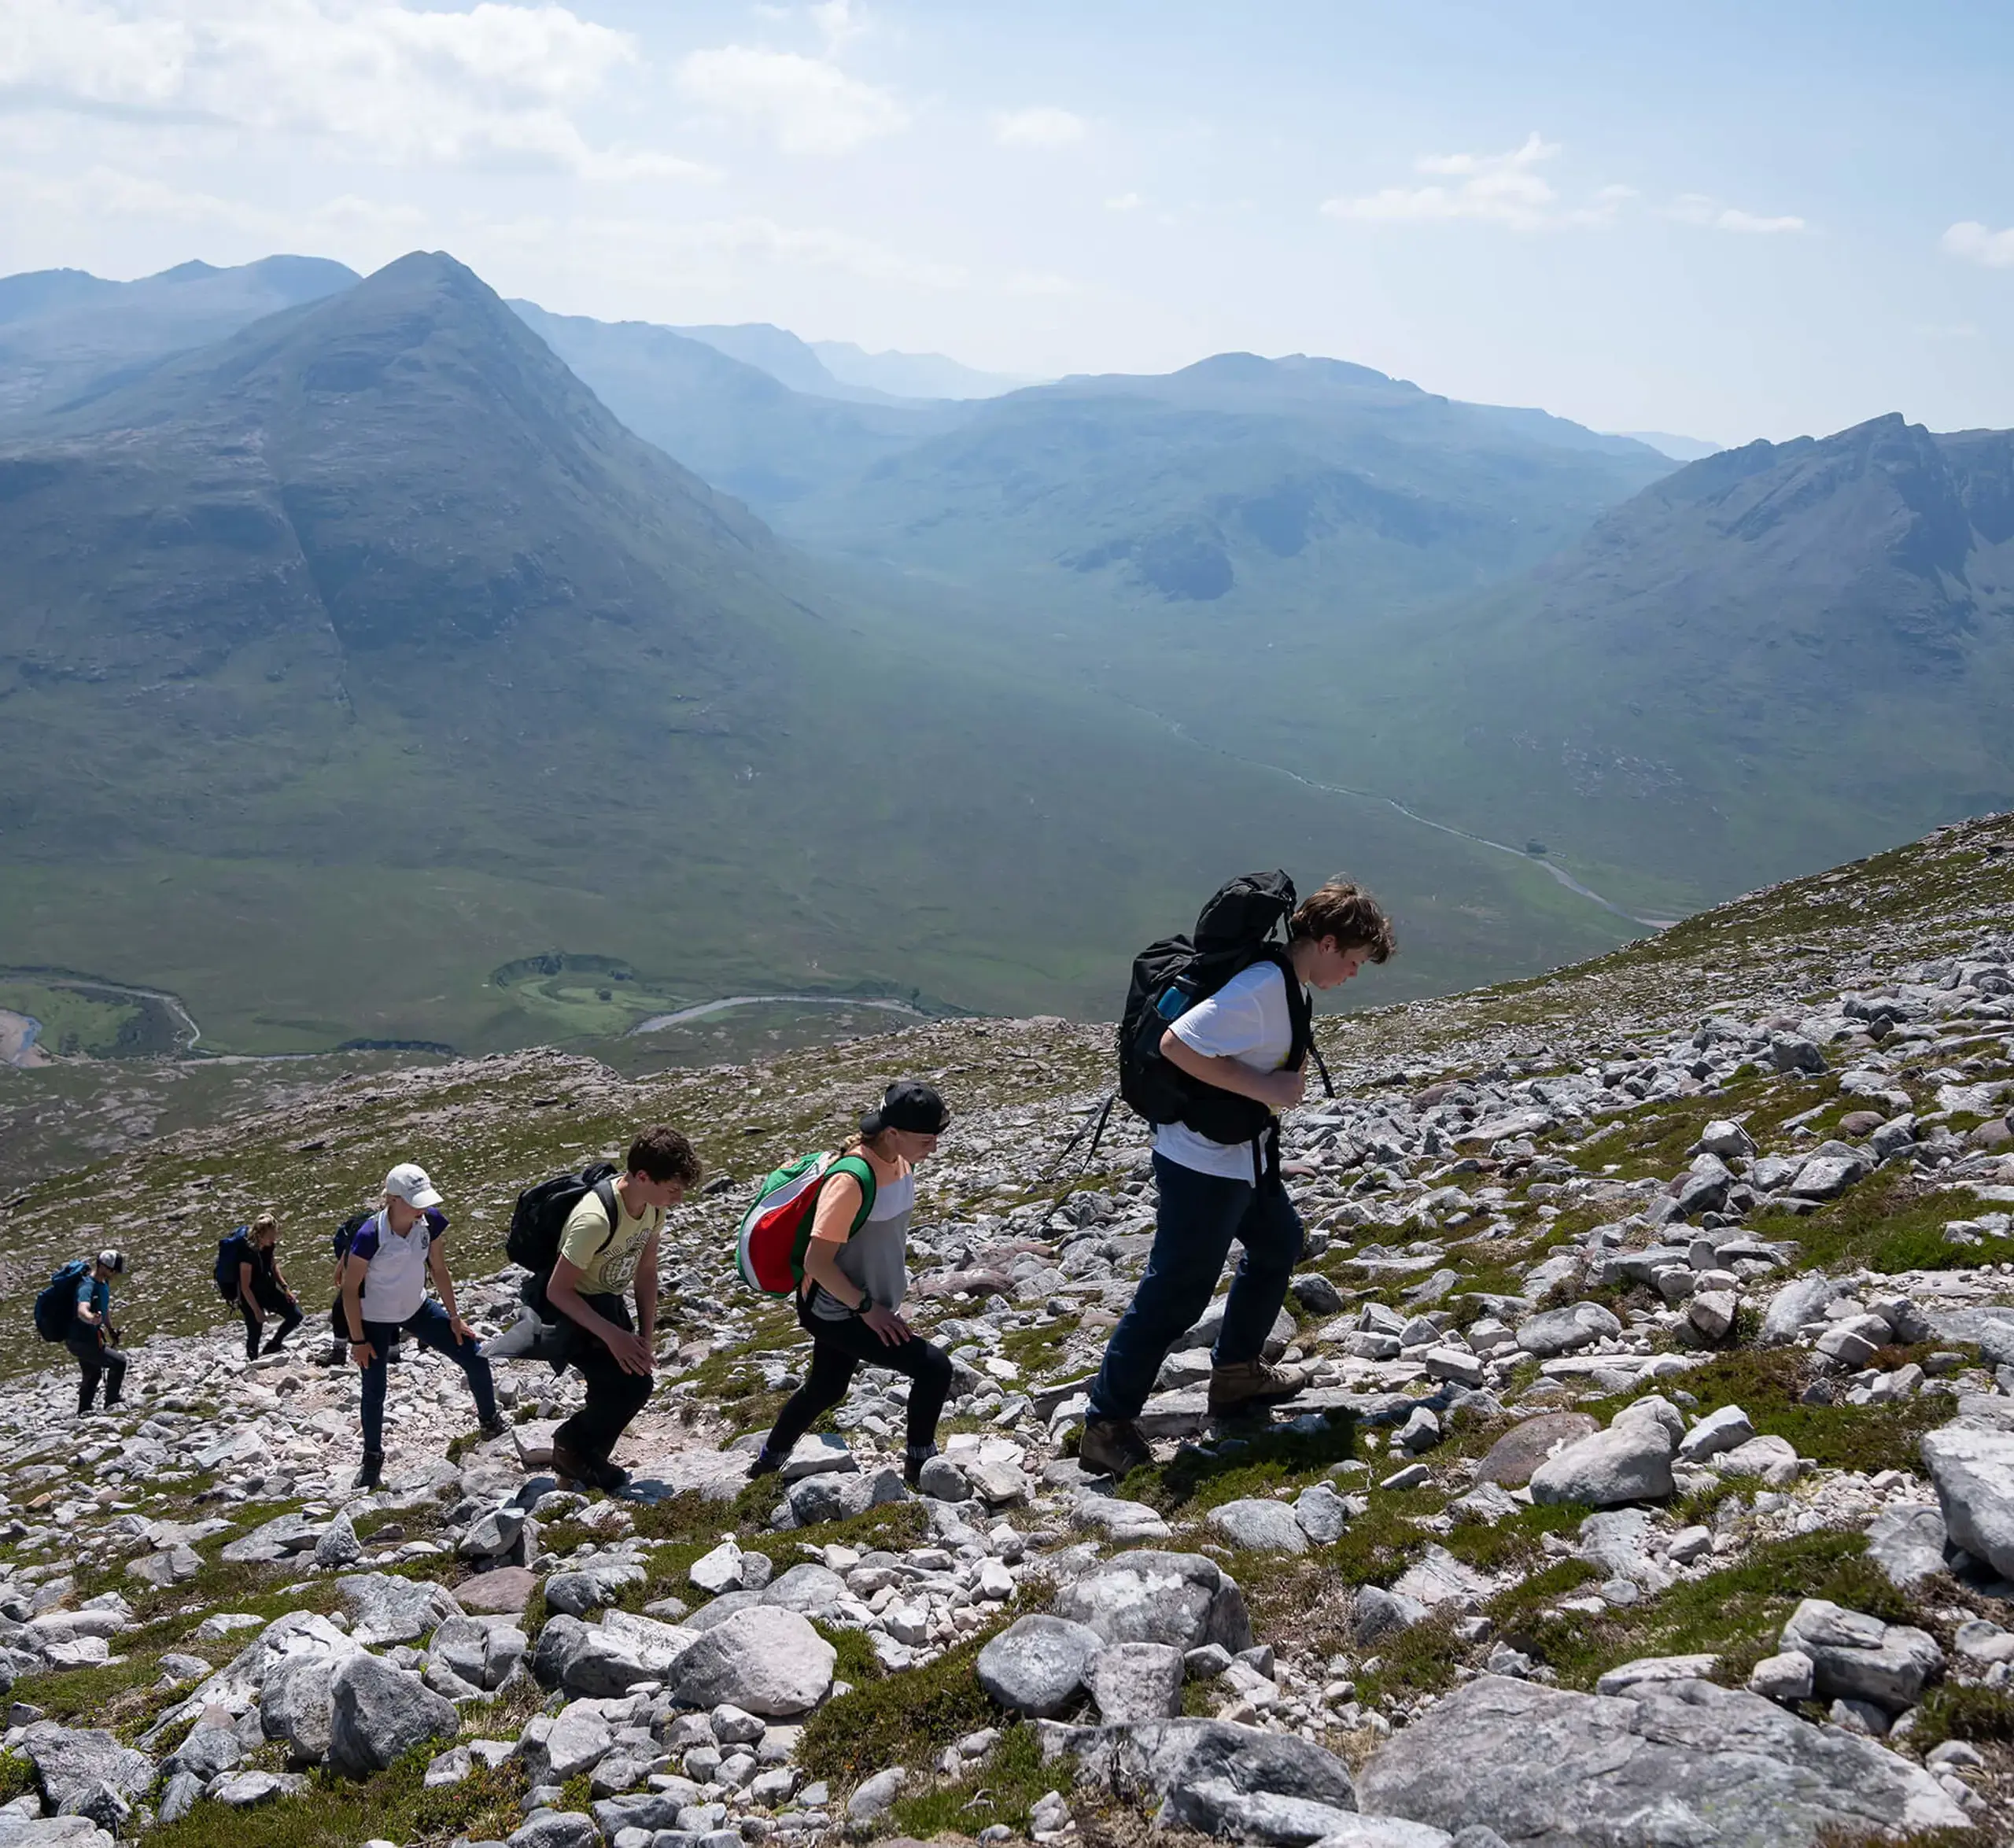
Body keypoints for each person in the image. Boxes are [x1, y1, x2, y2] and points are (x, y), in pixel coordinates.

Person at [1079, 879, 1395, 1479]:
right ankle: (1106, 1423)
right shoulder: (1260, 987)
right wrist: (1270, 1089)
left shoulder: (1286, 981)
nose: (1352, 974)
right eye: (1352, 961)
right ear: (1326, 943)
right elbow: (1178, 1044)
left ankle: (1235, 1374)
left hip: (1246, 1156)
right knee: (1175, 1293)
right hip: (1203, 1162)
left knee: (1277, 1242)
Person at [747, 1080, 954, 1488]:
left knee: (826, 1389)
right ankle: (920, 1466)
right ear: (892, 1134)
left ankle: (768, 1463)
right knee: (933, 1369)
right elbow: (816, 1262)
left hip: (859, 1304)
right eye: (927, 1139)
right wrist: (868, 1309)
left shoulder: (900, 1163)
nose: (934, 1147)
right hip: (837, 1310)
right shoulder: (852, 1180)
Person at [541, 1127, 700, 1492]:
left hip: (608, 1301)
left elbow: (646, 1271)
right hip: (574, 1309)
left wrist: (645, 1336)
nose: (677, 1199)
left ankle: (582, 1467)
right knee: (632, 1387)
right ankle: (570, 1445)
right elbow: (558, 1290)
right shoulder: (594, 1219)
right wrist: (614, 1336)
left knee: (623, 1384)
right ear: (643, 1176)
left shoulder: (652, 1208)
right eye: (673, 1189)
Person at [340, 1161, 504, 1489]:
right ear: (394, 1200)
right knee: (375, 1390)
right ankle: (372, 1461)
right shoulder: (370, 1235)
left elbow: (440, 1269)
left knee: (474, 1355)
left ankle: (491, 1423)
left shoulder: (431, 1223)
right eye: (416, 1202)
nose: (423, 1208)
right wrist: (358, 1341)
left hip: (416, 1306)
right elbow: (348, 1288)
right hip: (374, 1317)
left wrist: (455, 1317)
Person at [236, 1213, 304, 1361]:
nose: (274, 1238)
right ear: (260, 1235)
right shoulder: (247, 1253)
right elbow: (245, 1287)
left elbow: (273, 1267)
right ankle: (252, 1363)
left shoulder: (269, 1246)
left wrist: (286, 1289)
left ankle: (274, 1343)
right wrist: (257, 1311)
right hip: (250, 1297)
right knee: (255, 1331)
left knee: (296, 1315)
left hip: (268, 1290)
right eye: (271, 1235)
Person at [69, 1249, 128, 1415]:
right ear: (102, 1266)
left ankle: (83, 1412)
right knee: (119, 1362)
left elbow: (105, 1308)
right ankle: (112, 1401)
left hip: (85, 1338)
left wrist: (110, 1329)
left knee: (93, 1373)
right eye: (112, 1270)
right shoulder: (87, 1285)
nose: (115, 1274)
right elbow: (82, 1309)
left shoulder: (103, 1283)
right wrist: (91, 1318)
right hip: (81, 1340)